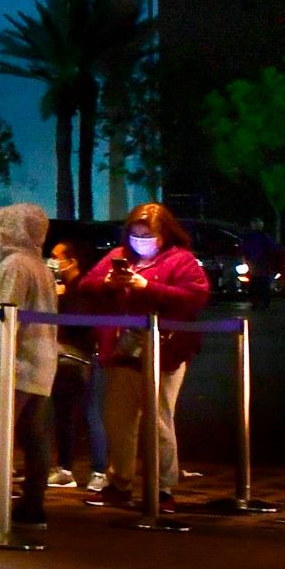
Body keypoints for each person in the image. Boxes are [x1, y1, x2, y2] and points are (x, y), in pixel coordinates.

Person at [70, 203, 212, 514]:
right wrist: (108, 283)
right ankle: (119, 483)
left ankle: (162, 488)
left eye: (147, 236)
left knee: (158, 420)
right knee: (118, 420)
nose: (140, 242)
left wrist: (149, 287)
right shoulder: (119, 257)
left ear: (164, 234)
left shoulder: (181, 260)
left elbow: (195, 296)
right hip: (122, 350)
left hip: (165, 351)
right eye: (135, 235)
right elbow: (86, 285)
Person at [0, 203, 57, 529]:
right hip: (41, 364)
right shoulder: (41, 266)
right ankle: (33, 505)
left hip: (15, 365)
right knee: (35, 438)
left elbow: (3, 322)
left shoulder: (14, 267)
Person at [45, 240, 103, 491]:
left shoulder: (83, 288)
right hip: (62, 357)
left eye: (56, 257)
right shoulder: (64, 287)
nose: (52, 262)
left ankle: (100, 472)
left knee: (91, 413)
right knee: (63, 414)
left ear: (72, 260)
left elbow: (80, 323)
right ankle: (65, 469)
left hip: (83, 357)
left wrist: (61, 300)